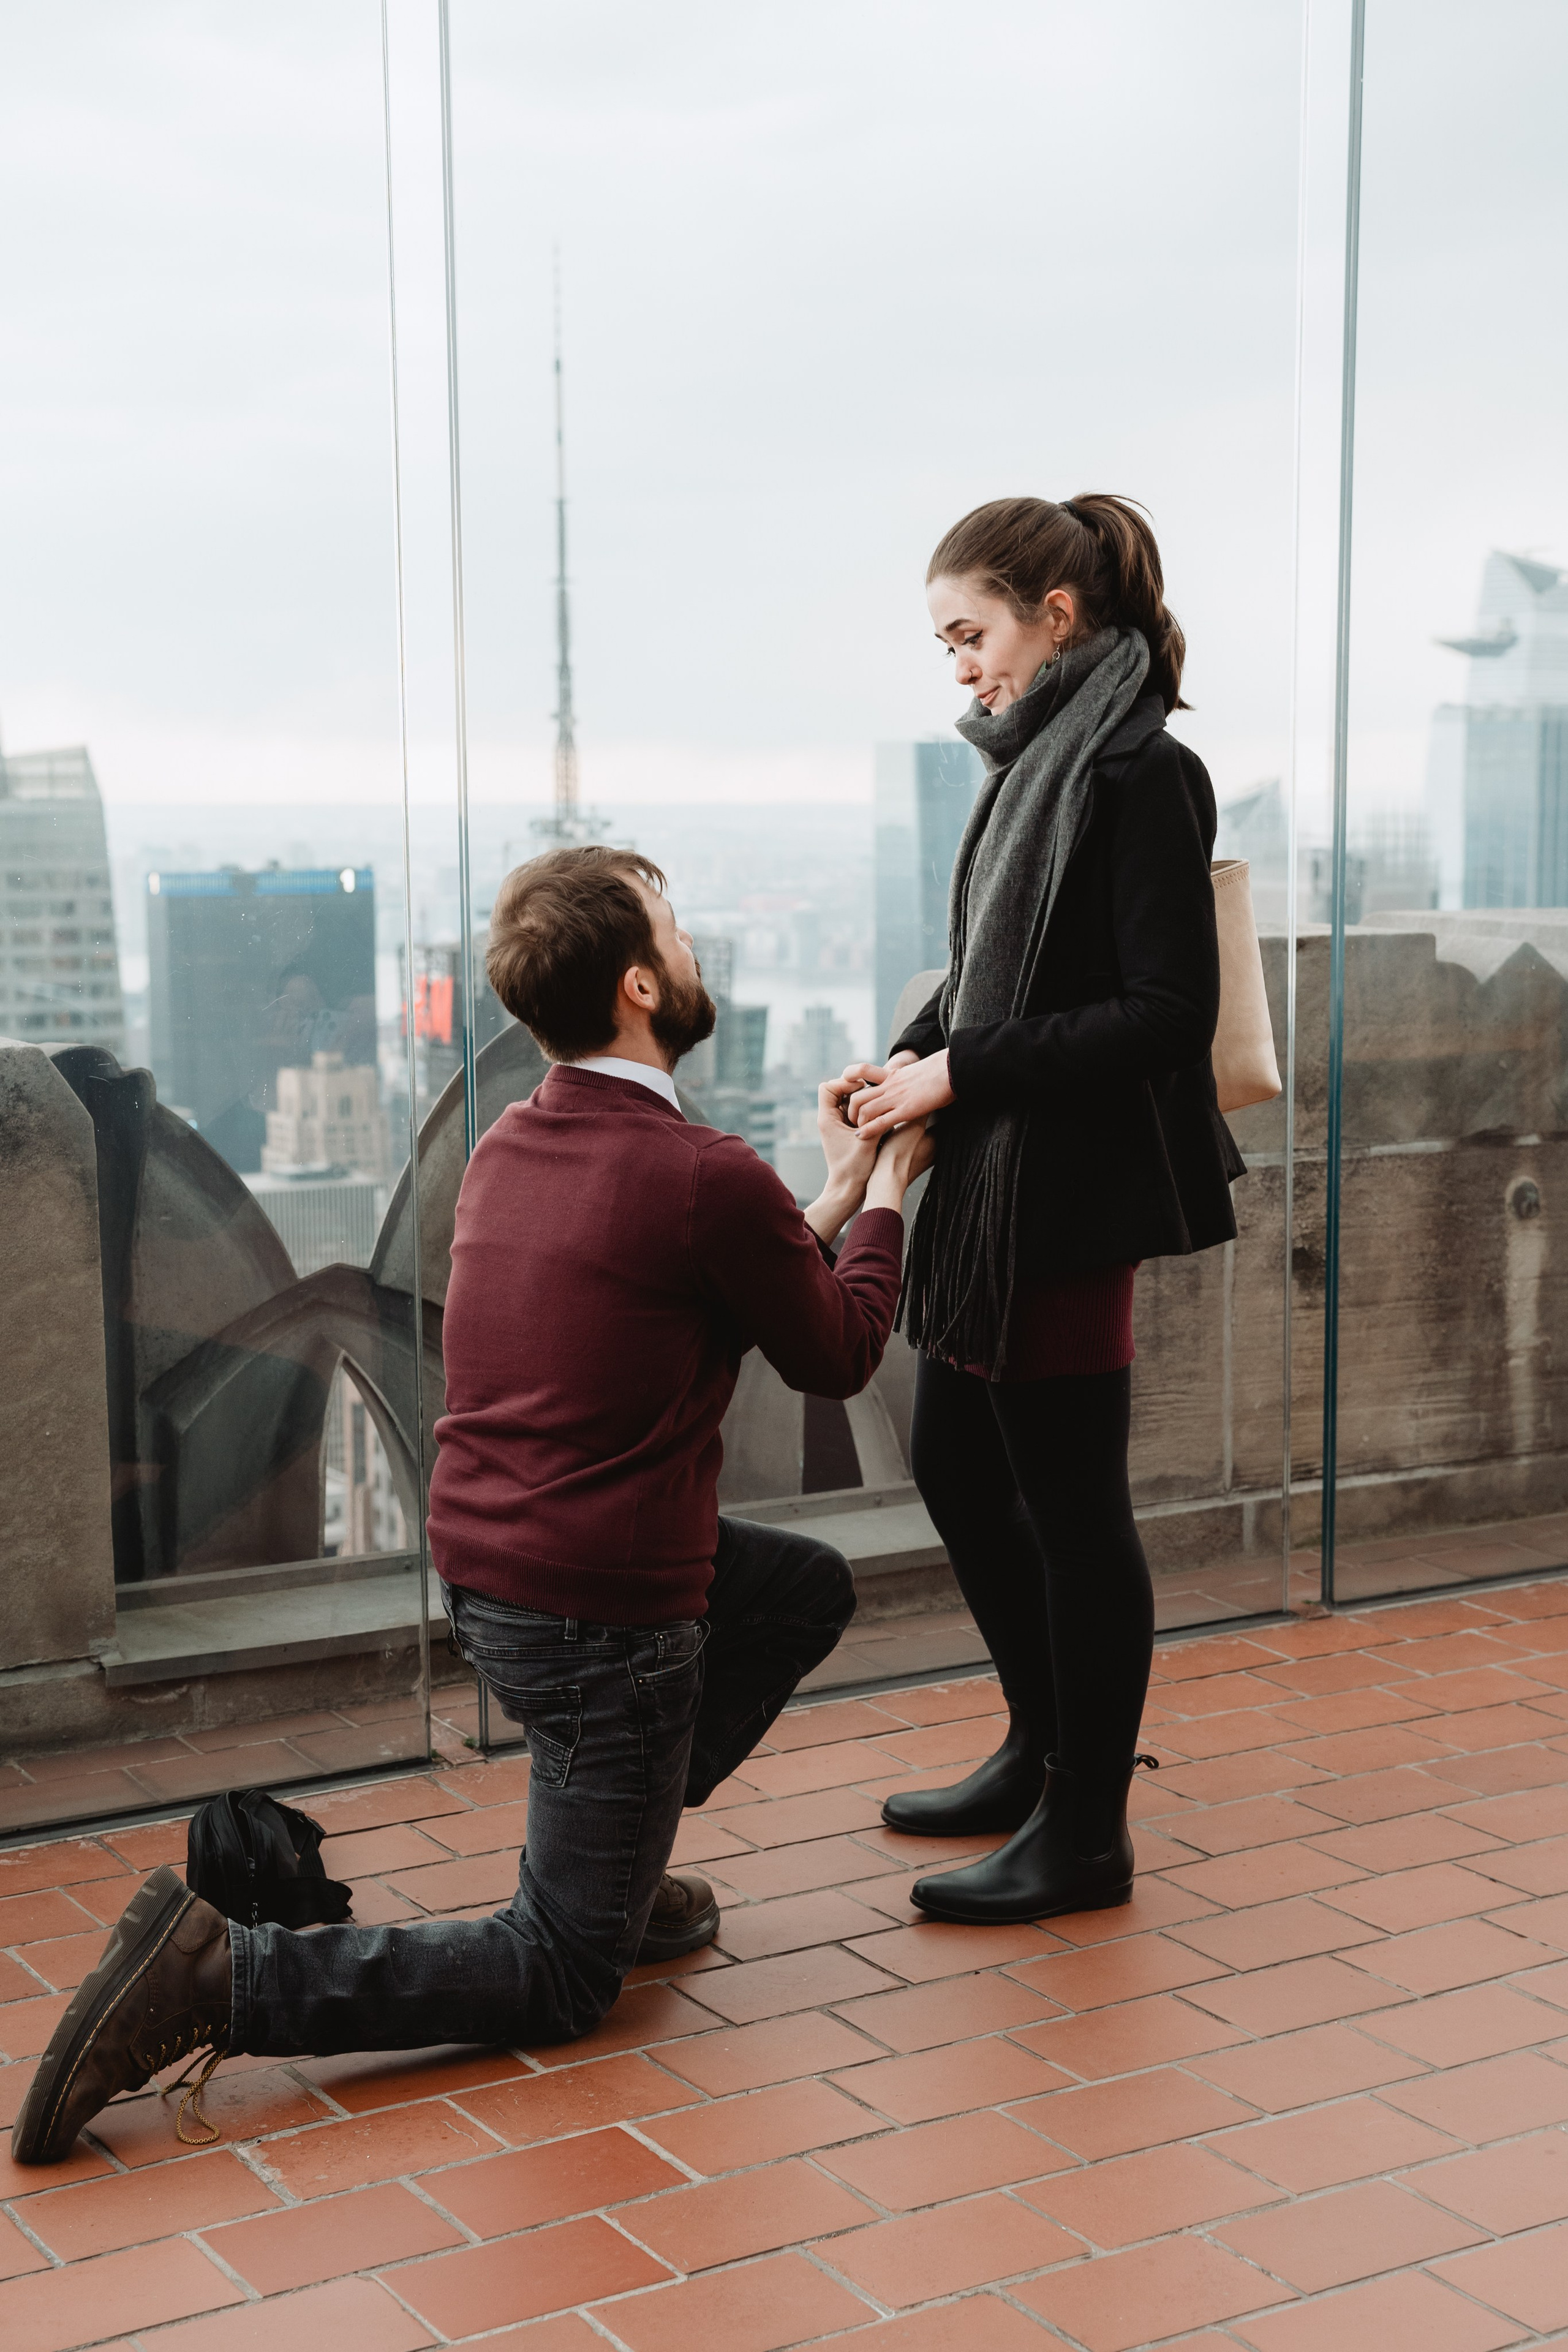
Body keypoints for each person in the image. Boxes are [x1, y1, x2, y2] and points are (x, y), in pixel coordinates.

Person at [13, 845, 931, 2166]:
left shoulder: (519, 1140)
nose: (690, 951)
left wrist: (833, 1190)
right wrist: (894, 1189)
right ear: (635, 981)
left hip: (492, 1583)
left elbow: (720, 1270)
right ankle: (226, 1979)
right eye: (673, 932)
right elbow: (837, 1350)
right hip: (604, 1620)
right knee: (561, 1976)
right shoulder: (700, 1173)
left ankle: (612, 1866)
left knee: (801, 1589)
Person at [843, 494, 1244, 1926]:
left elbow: (1159, 1016)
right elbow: (997, 971)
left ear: (1054, 615)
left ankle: (1087, 1830)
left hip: (1069, 1202)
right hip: (997, 1192)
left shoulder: (1141, 770)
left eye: (970, 633)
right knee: (958, 1465)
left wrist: (966, 1064)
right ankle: (1038, 1744)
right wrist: (914, 1060)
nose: (957, 666)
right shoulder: (1031, 764)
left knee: (1075, 1515)